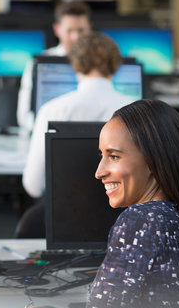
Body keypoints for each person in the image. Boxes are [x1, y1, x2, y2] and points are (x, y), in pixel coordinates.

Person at [13, 99, 179, 308]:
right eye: (101, 155)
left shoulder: (142, 221)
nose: (99, 171)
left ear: (154, 161)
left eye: (114, 156)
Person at [22, 31, 134, 199]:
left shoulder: (52, 110)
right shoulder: (137, 109)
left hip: (65, 217)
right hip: (126, 215)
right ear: (116, 64)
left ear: (75, 64)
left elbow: (33, 185)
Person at [17, 1, 92, 132]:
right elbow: (24, 116)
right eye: (69, 31)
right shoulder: (38, 63)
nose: (76, 37)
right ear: (57, 29)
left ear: (89, 28)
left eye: (81, 30)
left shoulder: (101, 63)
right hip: (48, 133)